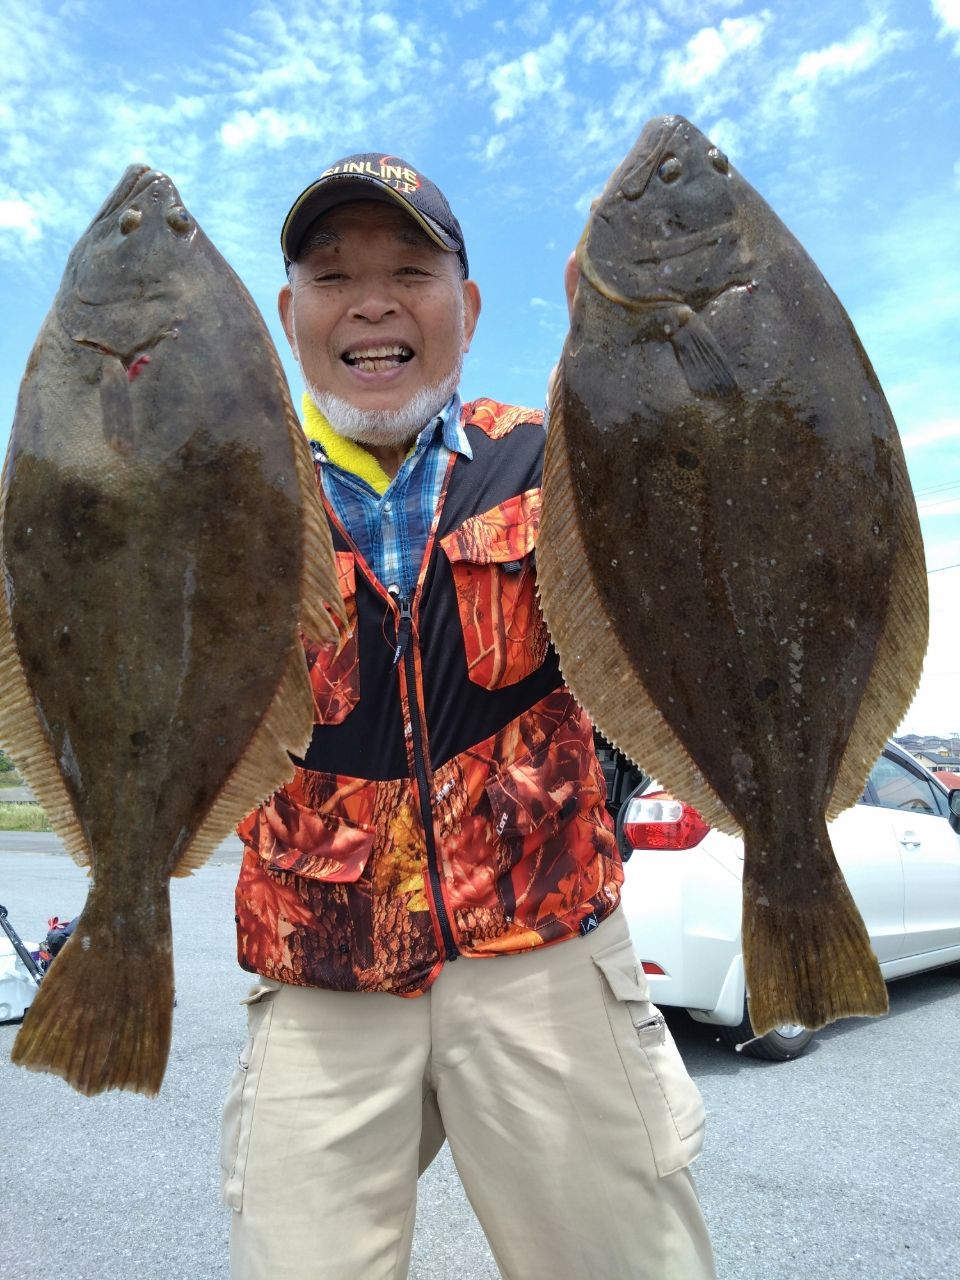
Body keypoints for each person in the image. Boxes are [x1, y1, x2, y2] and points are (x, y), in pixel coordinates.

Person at [219, 152, 716, 1280]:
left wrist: (647, 331)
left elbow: (686, 557)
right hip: (320, 970)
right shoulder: (226, 489)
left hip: (545, 946)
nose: (375, 300)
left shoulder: (556, 456)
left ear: (470, 306)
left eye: (410, 268)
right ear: (289, 313)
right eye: (334, 274)